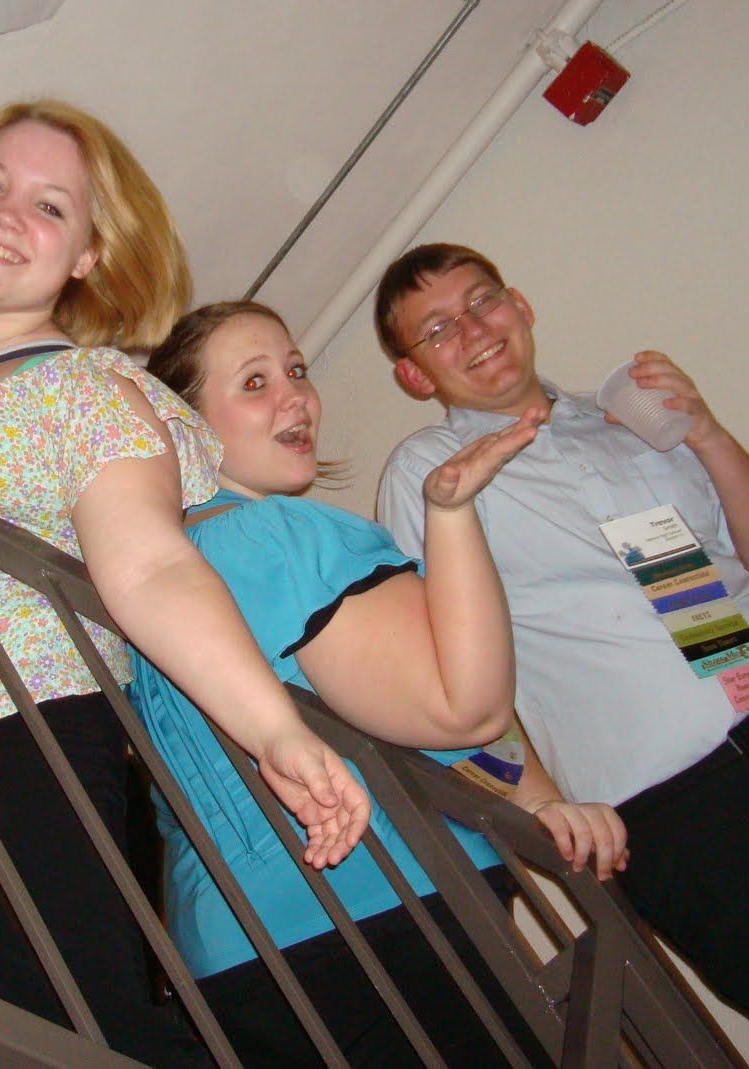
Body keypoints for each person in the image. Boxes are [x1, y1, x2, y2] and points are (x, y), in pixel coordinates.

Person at [0, 102, 368, 1069]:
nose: (7, 213)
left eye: (50, 205)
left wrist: (274, 729)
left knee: (78, 1039)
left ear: (89, 253)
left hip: (6, 733)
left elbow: (154, 565)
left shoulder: (87, 387)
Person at [374, 242, 749, 1069]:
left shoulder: (629, 420)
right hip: (699, 820)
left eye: (482, 300)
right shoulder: (431, 476)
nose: (474, 328)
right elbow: (439, 681)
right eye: (438, 328)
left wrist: (704, 428)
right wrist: (544, 801)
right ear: (414, 375)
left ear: (520, 305)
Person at [132, 300, 626, 1067]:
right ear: (185, 426)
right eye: (255, 382)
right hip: (386, 916)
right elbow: (465, 708)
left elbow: (404, 717)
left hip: (234, 955)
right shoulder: (277, 537)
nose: (296, 397)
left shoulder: (146, 590)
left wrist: (538, 802)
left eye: (296, 370)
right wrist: (450, 512)